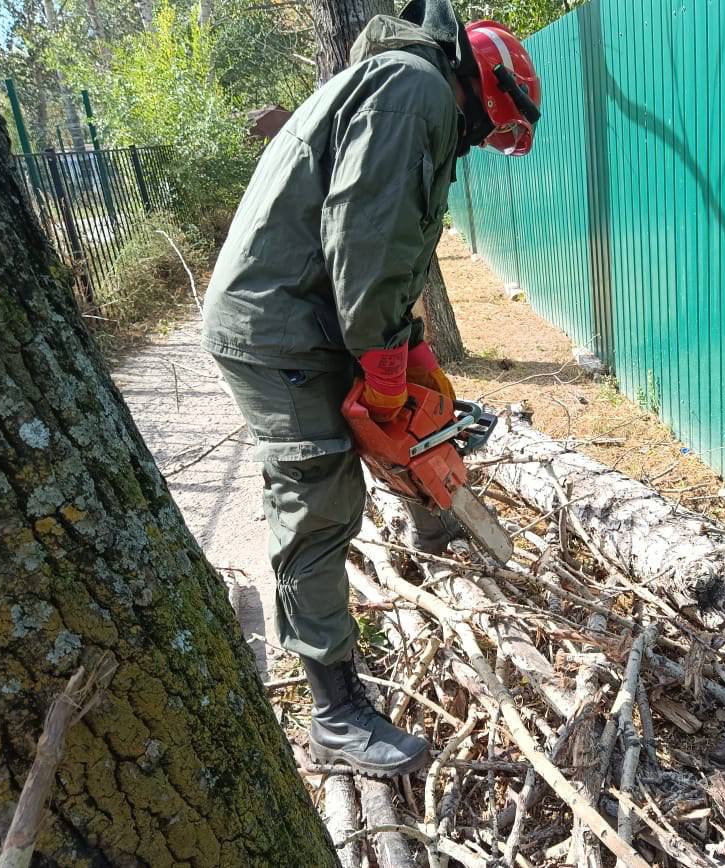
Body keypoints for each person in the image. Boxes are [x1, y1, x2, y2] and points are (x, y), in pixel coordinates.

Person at [200, 0, 541, 776]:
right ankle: (335, 712)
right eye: (492, 131)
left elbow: (388, 247)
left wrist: (414, 356)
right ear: (488, 91)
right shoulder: (415, 91)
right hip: (279, 328)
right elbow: (366, 244)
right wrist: (385, 371)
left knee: (418, 421)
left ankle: (438, 527)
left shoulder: (403, 85)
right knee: (317, 497)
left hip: (308, 313)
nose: (483, 146)